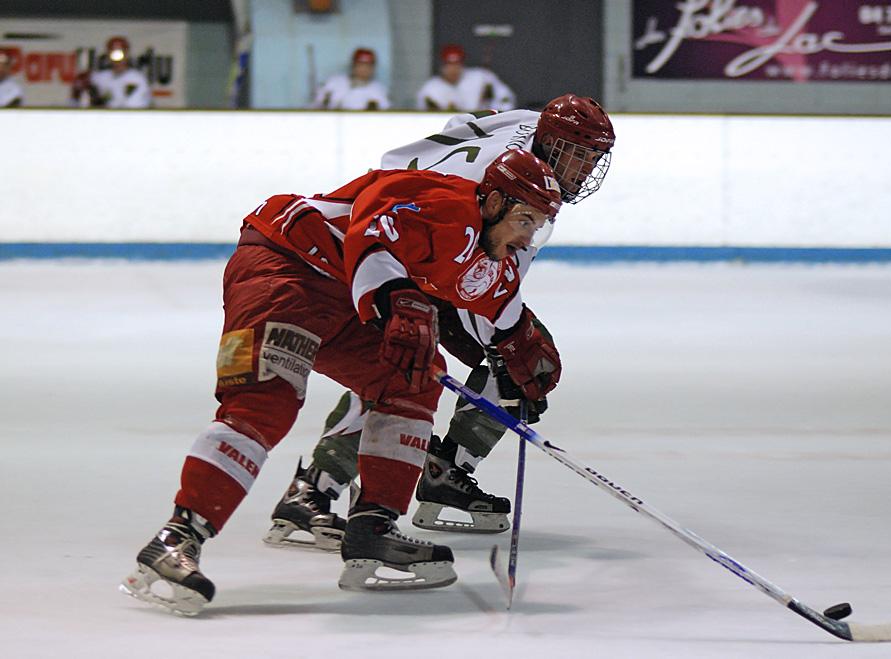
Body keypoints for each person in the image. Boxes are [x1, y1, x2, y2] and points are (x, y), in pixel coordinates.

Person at [120, 148, 564, 616]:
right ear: (493, 202)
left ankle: (372, 531)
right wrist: (396, 297)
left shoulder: (492, 256)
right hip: (285, 264)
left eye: (538, 225)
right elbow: (369, 233)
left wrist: (520, 354)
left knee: (413, 380)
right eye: (524, 218)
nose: (527, 235)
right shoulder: (446, 202)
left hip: (342, 296)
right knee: (265, 403)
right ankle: (176, 539)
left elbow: (504, 314)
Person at [264, 94, 614, 550]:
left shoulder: (532, 134)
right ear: (550, 142)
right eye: (576, 154)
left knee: (516, 362)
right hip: (403, 247)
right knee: (414, 360)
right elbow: (489, 275)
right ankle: (316, 486)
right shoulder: (501, 184)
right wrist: (507, 344)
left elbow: (470, 121)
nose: (583, 169)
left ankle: (436, 471)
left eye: (592, 159)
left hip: (426, 233)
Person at [416, 44, 515, 112]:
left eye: (457, 64)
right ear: (442, 66)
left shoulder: (482, 77)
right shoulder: (429, 89)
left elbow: (506, 99)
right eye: (449, 65)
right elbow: (424, 117)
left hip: (483, 128)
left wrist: (492, 113)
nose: (453, 69)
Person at [71, 36, 152, 108]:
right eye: (112, 50)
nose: (116, 55)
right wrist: (77, 92)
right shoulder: (99, 78)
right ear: (107, 53)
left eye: (120, 51)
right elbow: (77, 100)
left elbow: (133, 107)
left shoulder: (137, 79)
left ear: (127, 53)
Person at [312, 47, 390, 110]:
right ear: (353, 65)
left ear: (373, 68)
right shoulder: (335, 82)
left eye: (368, 66)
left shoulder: (378, 90)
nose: (363, 69)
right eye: (360, 65)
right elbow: (317, 105)